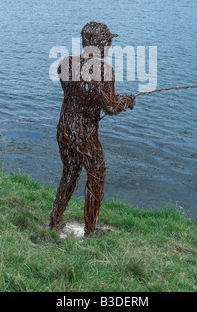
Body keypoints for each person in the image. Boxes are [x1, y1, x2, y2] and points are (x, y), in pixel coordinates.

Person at [50, 21, 135, 236]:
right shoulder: (104, 70)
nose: (110, 47)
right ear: (101, 44)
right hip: (84, 131)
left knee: (69, 174)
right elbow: (110, 106)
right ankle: (90, 230)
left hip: (65, 127)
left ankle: (55, 220)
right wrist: (127, 100)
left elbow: (79, 94)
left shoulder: (64, 63)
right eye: (109, 43)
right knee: (96, 176)